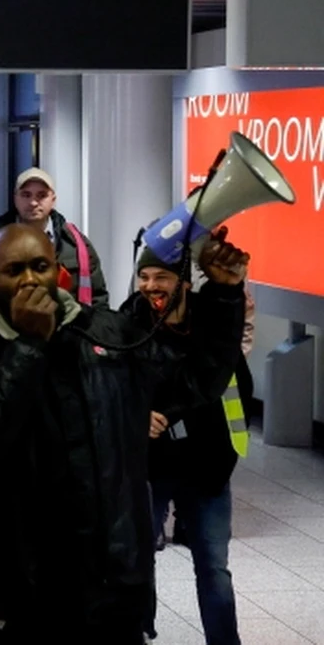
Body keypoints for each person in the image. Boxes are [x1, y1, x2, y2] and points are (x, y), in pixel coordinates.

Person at [0, 224, 246, 643]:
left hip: (114, 579)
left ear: (58, 271)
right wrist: (29, 346)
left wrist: (225, 296)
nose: (30, 279)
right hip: (23, 588)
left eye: (40, 266)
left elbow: (198, 382)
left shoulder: (107, 332)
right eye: (14, 270)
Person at [122, 235, 249, 645]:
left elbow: (225, 381)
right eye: (143, 276)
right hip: (152, 465)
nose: (150, 285)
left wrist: (229, 293)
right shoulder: (130, 322)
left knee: (213, 566)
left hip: (206, 466)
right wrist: (136, 415)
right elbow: (113, 385)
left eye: (161, 276)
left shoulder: (213, 320)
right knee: (138, 562)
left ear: (186, 282)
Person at [0, 168, 108, 334]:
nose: (33, 202)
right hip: (2, 345)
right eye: (26, 195)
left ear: (53, 199)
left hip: (69, 342)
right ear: (15, 198)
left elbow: (98, 299)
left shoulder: (78, 244)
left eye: (41, 195)